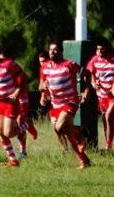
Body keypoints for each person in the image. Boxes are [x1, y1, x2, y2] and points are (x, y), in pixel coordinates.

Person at [39, 41, 92, 169]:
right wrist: (43, 90)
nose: (52, 52)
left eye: (56, 49)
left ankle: (79, 132)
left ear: (61, 52)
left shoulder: (69, 64)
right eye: (51, 49)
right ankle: (84, 160)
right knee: (68, 133)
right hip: (55, 104)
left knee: (58, 127)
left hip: (70, 101)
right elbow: (40, 85)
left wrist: (86, 90)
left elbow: (87, 73)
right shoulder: (45, 67)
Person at [83, 41, 114, 153]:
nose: (99, 52)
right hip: (102, 96)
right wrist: (93, 82)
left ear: (107, 48)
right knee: (108, 121)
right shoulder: (95, 60)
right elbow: (89, 72)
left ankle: (108, 147)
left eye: (102, 49)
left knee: (108, 117)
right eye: (97, 49)